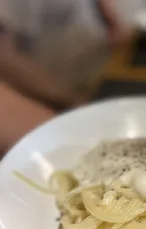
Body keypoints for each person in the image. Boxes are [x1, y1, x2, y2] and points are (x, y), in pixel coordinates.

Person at [0, 0, 137, 153]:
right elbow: (4, 57)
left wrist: (112, 21)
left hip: (99, 76)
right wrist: (70, 98)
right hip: (53, 99)